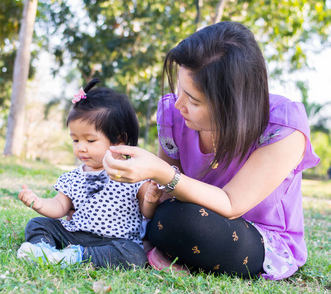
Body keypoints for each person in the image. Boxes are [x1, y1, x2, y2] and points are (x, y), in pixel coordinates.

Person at [103, 21, 320, 280]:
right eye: (180, 89)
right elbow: (165, 198)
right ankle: (176, 253)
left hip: (257, 235)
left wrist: (162, 172)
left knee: (188, 224)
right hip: (187, 212)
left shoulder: (282, 126)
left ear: (234, 105)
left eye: (193, 100)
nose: (180, 104)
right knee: (162, 214)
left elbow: (231, 204)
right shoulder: (173, 114)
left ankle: (170, 251)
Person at [17, 78, 162, 269]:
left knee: (134, 256)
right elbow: (60, 206)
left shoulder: (133, 173)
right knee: (37, 224)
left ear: (119, 140)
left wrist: (150, 200)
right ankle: (43, 251)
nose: (80, 148)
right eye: (75, 140)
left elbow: (146, 211)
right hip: (76, 234)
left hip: (115, 242)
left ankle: (73, 257)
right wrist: (38, 202)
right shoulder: (73, 177)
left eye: (90, 141)